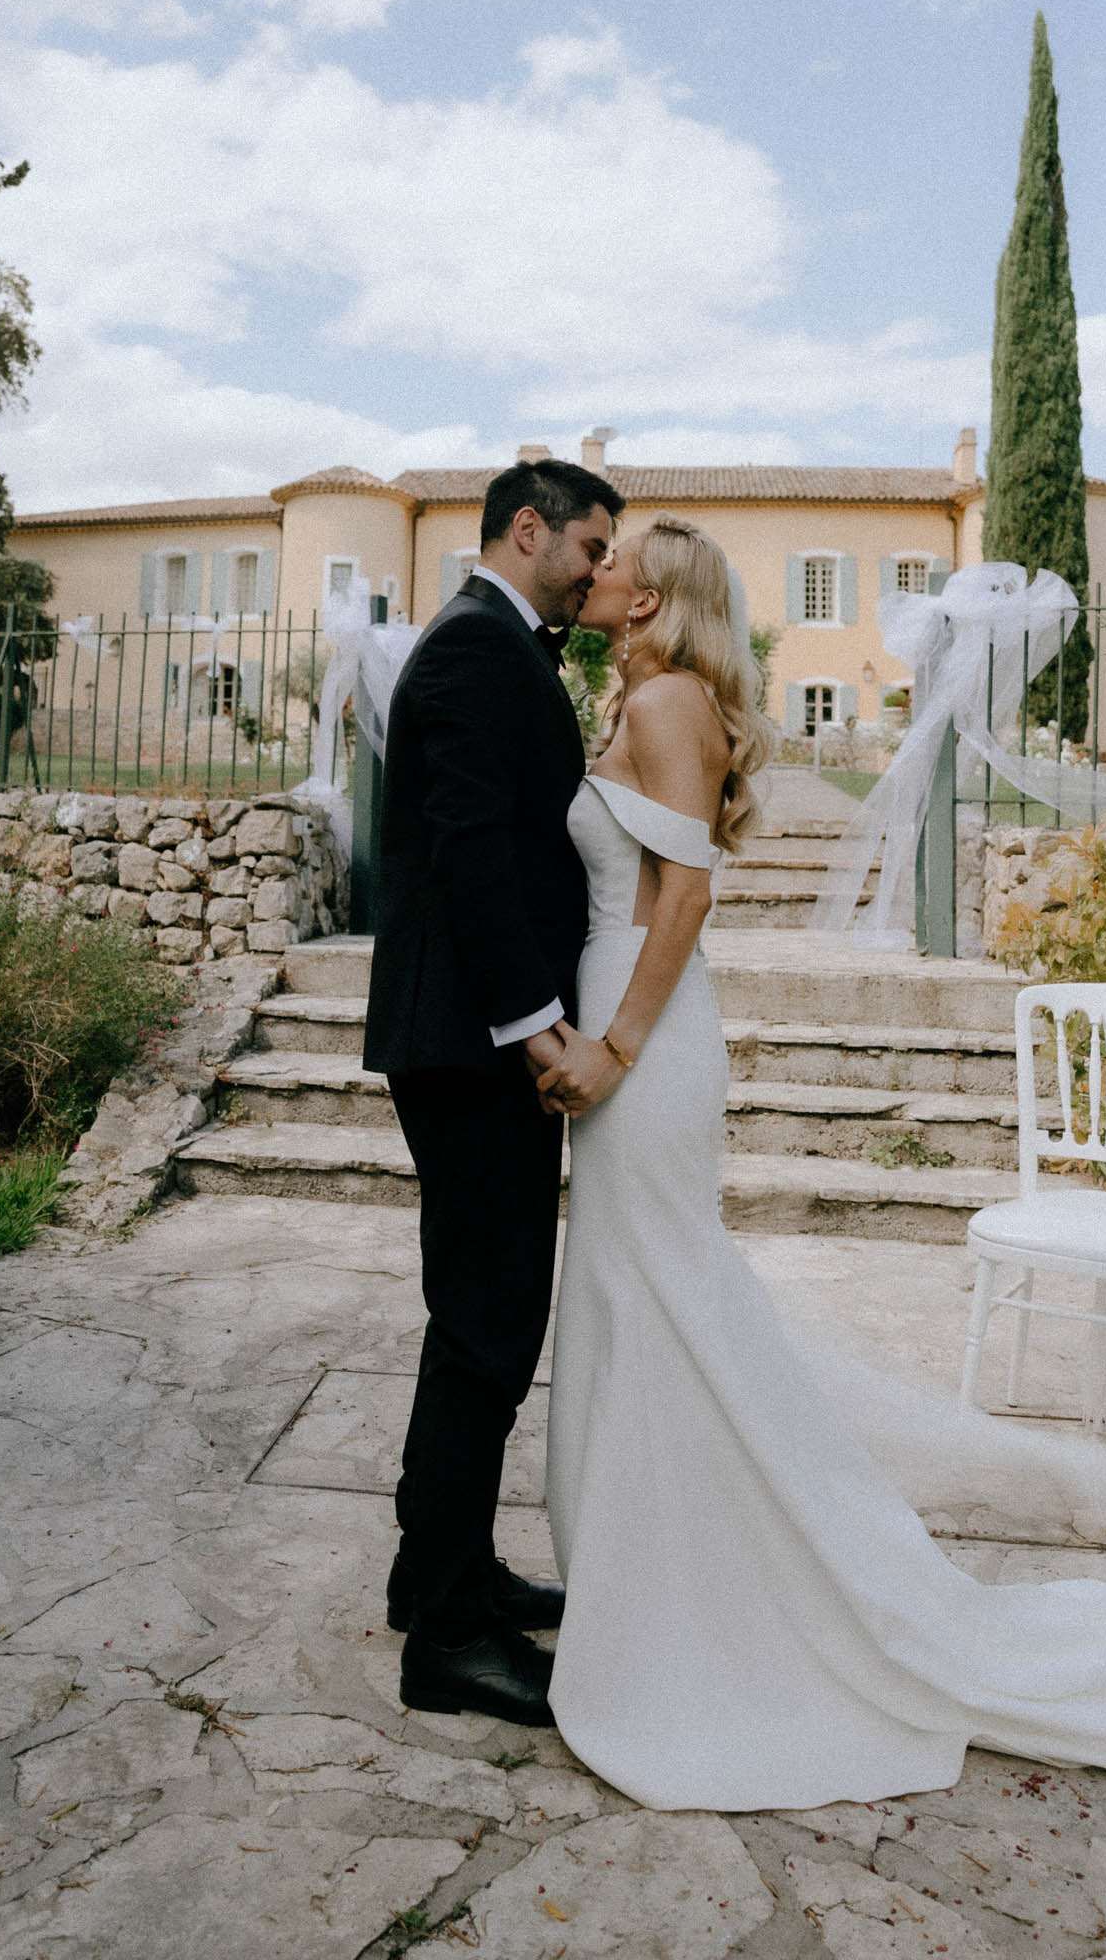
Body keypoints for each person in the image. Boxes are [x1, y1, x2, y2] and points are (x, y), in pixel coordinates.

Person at [532, 514, 1106, 1809]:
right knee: (638, 1303)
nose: (584, 568)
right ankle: (653, 1575)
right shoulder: (653, 697)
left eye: (604, 560)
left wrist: (611, 1049)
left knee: (655, 1301)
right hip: (630, 1017)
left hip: (643, 1032)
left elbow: (683, 899)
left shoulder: (666, 705)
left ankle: (694, 1605)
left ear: (651, 594)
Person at [362, 456, 625, 1727]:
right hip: (470, 1043)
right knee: (486, 1319)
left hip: (470, 1037)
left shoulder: (490, 638)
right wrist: (539, 1034)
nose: (599, 569)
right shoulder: (474, 648)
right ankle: (446, 1640)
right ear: (530, 531)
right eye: (590, 545)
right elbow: (472, 856)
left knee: (480, 1312)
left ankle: (445, 1575)